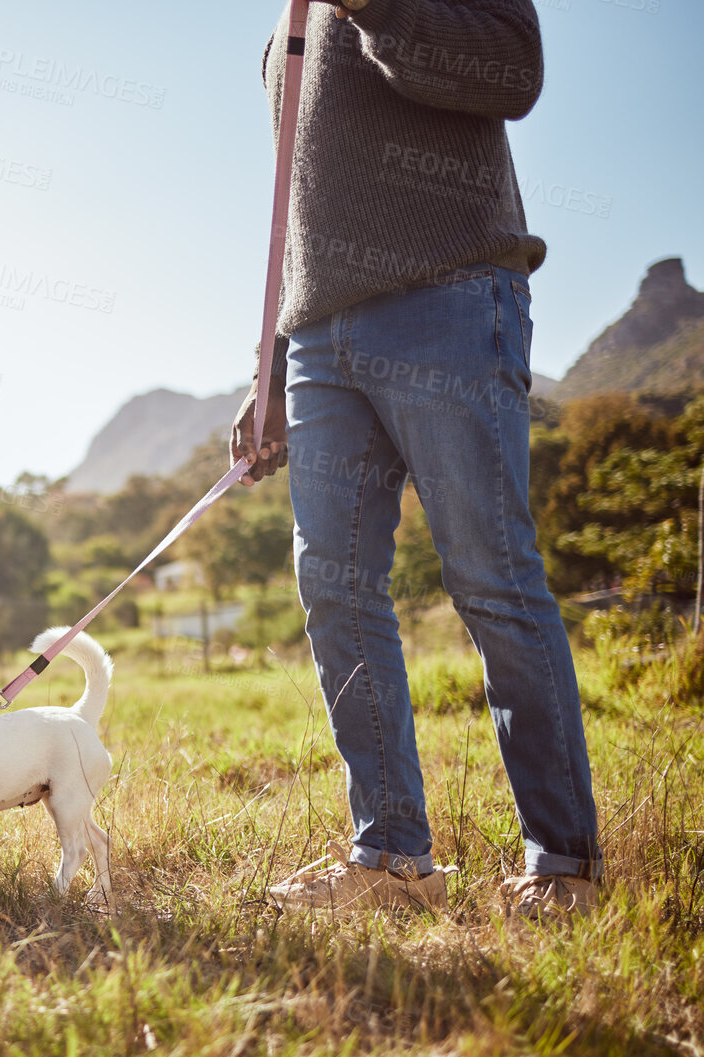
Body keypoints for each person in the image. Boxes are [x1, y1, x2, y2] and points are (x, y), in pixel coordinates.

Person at [232, 0, 602, 917]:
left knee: (490, 578)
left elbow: (511, 70)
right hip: (317, 337)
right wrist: (268, 362)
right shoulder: (284, 30)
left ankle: (564, 863)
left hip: (449, 294)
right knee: (336, 589)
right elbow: (295, 207)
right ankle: (392, 856)